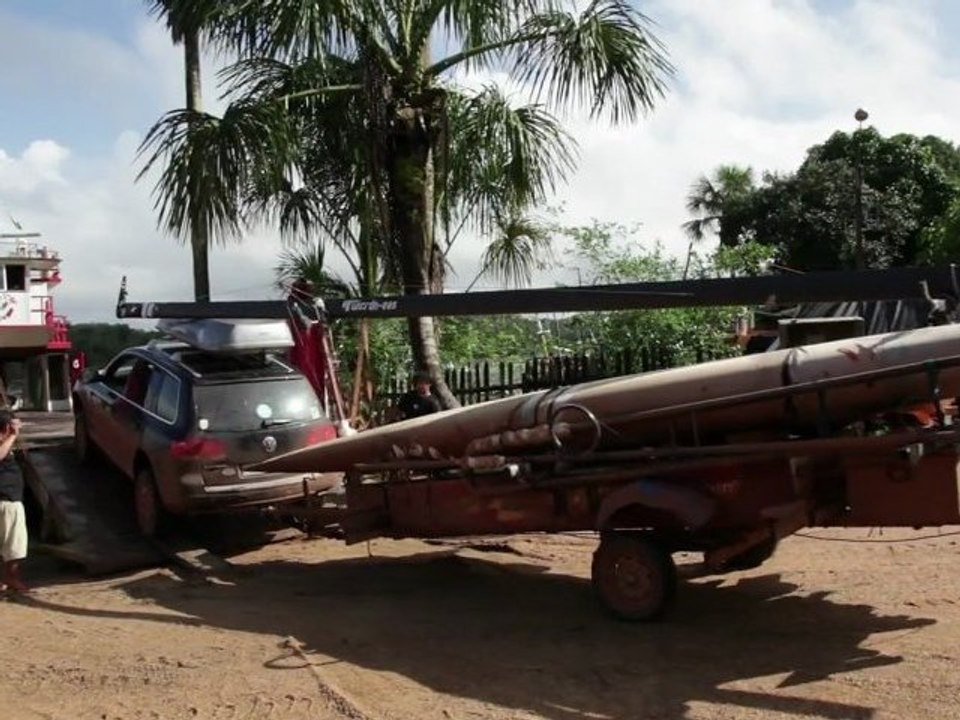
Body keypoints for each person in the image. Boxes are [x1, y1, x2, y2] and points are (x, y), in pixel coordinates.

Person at [0, 409, 27, 594]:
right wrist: (12, 436)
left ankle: (10, 578)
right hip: (3, 499)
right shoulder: (5, 441)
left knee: (14, 545)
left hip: (12, 499)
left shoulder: (8, 443)